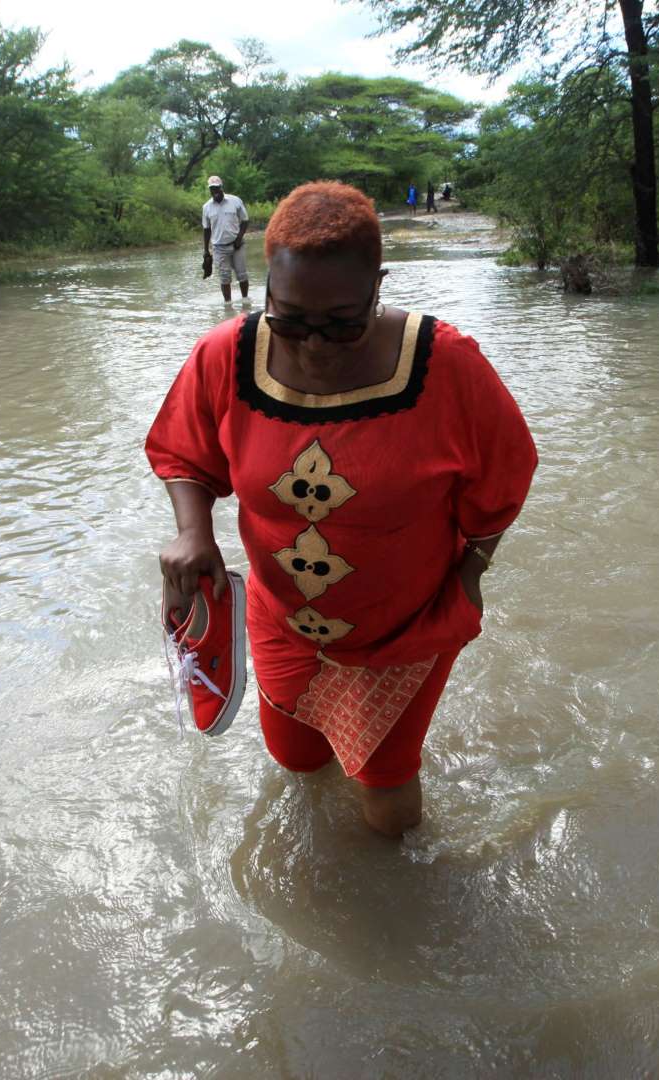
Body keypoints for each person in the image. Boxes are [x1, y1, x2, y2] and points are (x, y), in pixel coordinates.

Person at [148, 181, 536, 838]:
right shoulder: (226, 356)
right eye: (291, 320)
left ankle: (400, 909)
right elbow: (184, 450)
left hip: (404, 632)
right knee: (296, 761)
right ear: (267, 286)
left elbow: (506, 478)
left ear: (378, 285)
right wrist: (194, 532)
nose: (316, 345)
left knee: (385, 795)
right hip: (282, 619)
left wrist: (469, 578)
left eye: (342, 323)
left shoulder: (448, 367)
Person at [202, 175, 250, 302]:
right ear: (209, 190)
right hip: (219, 248)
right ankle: (228, 305)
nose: (215, 191)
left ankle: (245, 300)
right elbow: (206, 229)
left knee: (242, 274)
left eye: (217, 188)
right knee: (224, 277)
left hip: (237, 245)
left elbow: (245, 220)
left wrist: (239, 238)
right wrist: (206, 250)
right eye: (212, 189)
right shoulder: (206, 207)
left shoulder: (235, 201)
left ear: (221, 187)